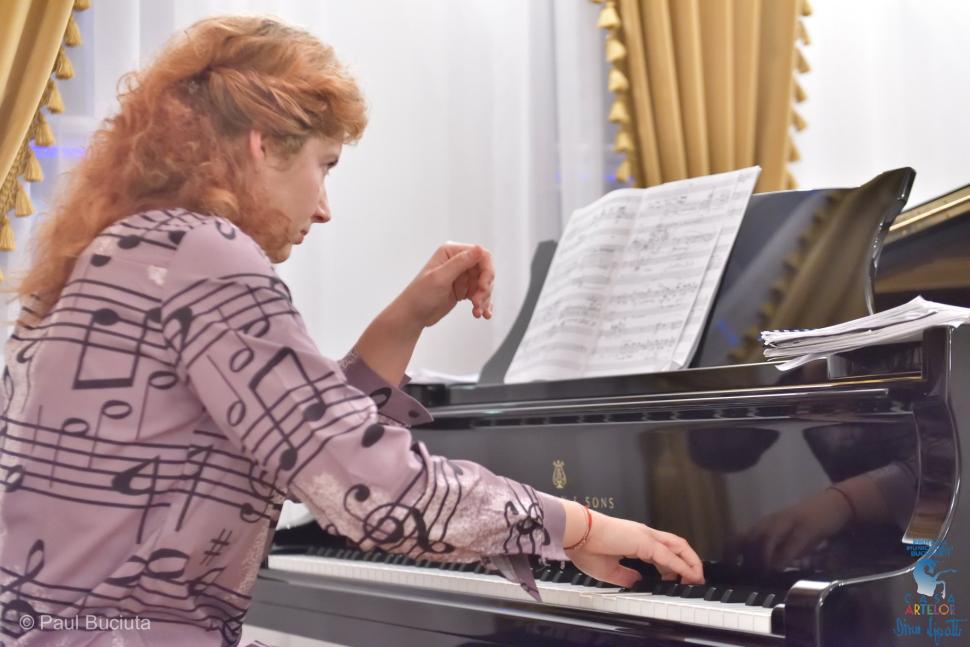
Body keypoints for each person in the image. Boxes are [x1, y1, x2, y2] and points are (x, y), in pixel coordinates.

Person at [0, 15, 703, 646]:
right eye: (324, 166)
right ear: (261, 146)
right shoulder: (204, 254)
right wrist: (581, 527)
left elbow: (294, 433)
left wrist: (406, 318)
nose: (325, 207)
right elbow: (374, 490)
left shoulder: (122, 251)